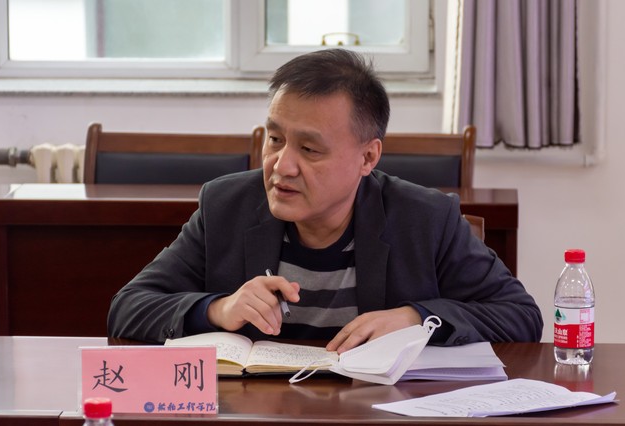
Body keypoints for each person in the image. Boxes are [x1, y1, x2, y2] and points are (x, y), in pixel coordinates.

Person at [108, 49, 543, 351]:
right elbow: (128, 307)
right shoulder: (226, 206)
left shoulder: (426, 218)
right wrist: (219, 309)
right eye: (274, 139)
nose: (282, 166)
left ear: (367, 157)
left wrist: (416, 318)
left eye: (310, 149)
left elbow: (521, 316)